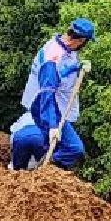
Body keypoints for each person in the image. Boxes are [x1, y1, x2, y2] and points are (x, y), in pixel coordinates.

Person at [9, 18, 93, 172]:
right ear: (81, 40)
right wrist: (53, 125)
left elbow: (62, 73)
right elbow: (46, 93)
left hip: (55, 109)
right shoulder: (52, 58)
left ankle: (44, 169)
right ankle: (44, 171)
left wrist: (77, 67)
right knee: (73, 149)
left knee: (69, 148)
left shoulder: (64, 48)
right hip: (45, 110)